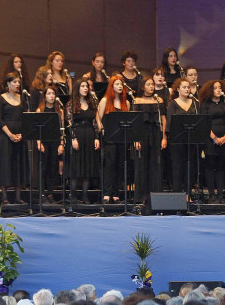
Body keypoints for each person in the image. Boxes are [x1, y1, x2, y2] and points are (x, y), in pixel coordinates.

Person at [132, 76, 167, 207]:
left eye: (152, 84)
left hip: (155, 134)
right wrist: (135, 139)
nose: (151, 87)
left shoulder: (159, 101)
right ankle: (141, 196)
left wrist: (164, 137)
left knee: (155, 164)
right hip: (142, 134)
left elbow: (163, 120)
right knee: (142, 164)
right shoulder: (137, 101)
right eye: (148, 84)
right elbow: (135, 121)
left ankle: (155, 195)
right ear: (142, 87)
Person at [96, 75, 131, 203]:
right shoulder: (105, 101)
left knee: (119, 166)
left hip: (122, 139)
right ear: (112, 86)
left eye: (121, 84)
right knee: (109, 166)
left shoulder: (126, 103)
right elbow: (98, 118)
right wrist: (102, 130)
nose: (120, 86)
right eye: (117, 84)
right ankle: (107, 193)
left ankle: (116, 194)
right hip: (109, 139)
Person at [0, 72, 27, 203]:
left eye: (18, 82)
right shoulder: (0, 99)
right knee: (6, 163)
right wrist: (10, 135)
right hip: (6, 136)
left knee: (18, 163)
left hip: (20, 135)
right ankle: (5, 196)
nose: (17, 84)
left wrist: (22, 134)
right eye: (14, 82)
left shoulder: (22, 99)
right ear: (8, 83)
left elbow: (25, 118)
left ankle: (18, 197)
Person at [199, 80, 225, 203]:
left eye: (220, 87)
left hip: (224, 137)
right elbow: (204, 122)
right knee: (210, 166)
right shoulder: (205, 104)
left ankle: (220, 194)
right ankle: (211, 194)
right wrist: (214, 138)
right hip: (210, 138)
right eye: (215, 88)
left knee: (221, 166)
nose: (218, 90)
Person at [166, 78, 200, 196]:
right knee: (178, 168)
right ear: (178, 89)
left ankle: (188, 194)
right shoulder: (173, 104)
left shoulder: (195, 103)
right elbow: (170, 123)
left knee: (190, 167)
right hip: (177, 141)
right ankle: (177, 196)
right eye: (184, 87)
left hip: (191, 140)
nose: (187, 89)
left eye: (188, 87)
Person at [69, 78, 101, 203]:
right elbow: (69, 123)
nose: (86, 88)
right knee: (76, 167)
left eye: (87, 86)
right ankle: (73, 196)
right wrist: (73, 138)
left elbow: (94, 122)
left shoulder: (91, 103)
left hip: (89, 135)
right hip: (78, 135)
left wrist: (97, 138)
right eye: (83, 86)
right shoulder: (71, 104)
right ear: (78, 88)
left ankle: (85, 195)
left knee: (87, 167)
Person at [35, 86, 65, 202]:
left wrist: (61, 144)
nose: (51, 96)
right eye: (49, 94)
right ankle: (42, 193)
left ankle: (50, 193)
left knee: (53, 168)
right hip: (44, 142)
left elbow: (61, 129)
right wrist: (39, 142)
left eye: (53, 94)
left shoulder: (59, 111)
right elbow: (36, 129)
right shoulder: (40, 110)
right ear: (45, 96)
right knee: (43, 168)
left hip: (55, 142)